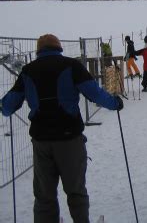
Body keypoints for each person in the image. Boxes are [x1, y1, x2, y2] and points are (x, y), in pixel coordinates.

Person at [0, 34, 123, 223]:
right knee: (76, 190)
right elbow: (95, 93)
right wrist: (114, 103)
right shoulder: (72, 66)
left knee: (44, 195)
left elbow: (8, 107)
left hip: (41, 141)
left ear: (38, 50)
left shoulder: (28, 71)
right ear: (58, 48)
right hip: (69, 139)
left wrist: (4, 105)